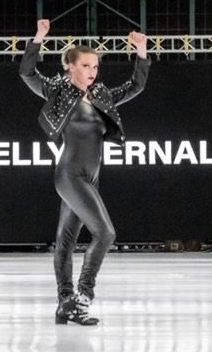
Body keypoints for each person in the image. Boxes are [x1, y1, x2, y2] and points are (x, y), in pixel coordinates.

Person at [21, 18, 149, 326]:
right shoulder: (58, 90)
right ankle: (83, 296)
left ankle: (65, 305)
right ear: (70, 66)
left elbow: (136, 85)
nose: (92, 71)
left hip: (91, 177)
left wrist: (142, 51)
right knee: (106, 233)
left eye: (95, 66)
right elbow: (27, 72)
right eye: (86, 65)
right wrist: (38, 37)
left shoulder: (101, 94)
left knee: (65, 241)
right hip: (69, 175)